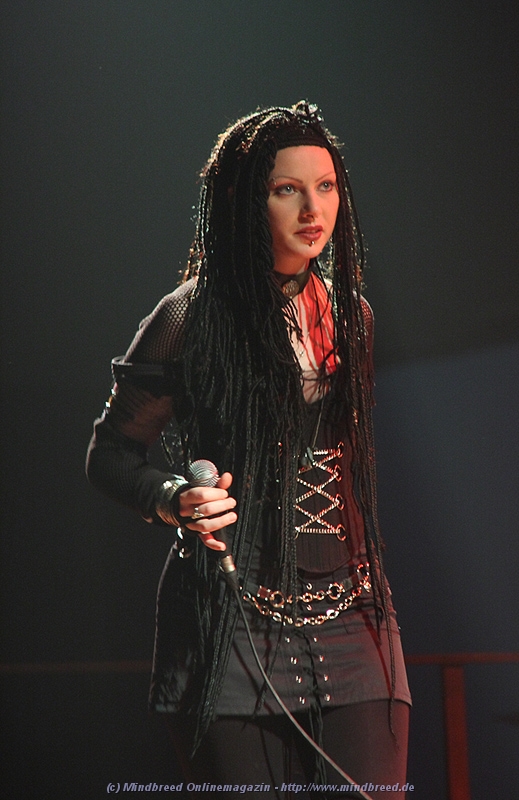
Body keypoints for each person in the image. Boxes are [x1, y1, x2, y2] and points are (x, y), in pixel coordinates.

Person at [86, 102, 411, 799]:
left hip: (354, 621)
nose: (312, 210)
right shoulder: (187, 315)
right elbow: (110, 456)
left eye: (325, 187)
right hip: (229, 622)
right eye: (287, 189)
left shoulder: (352, 316)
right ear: (243, 199)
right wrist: (173, 498)